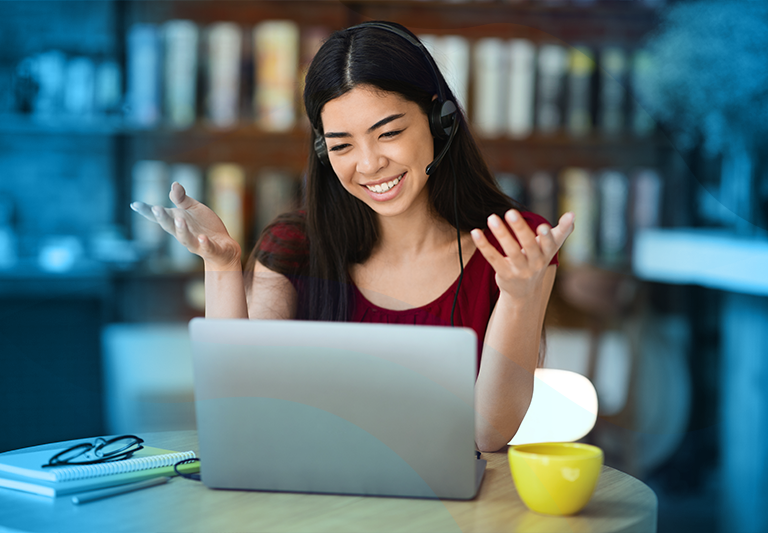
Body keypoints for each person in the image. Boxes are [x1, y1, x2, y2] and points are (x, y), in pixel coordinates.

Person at [131, 21, 574, 452]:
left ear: (442, 120)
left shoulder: (518, 248)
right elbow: (239, 410)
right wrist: (223, 268)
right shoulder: (294, 245)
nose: (368, 164)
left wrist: (518, 296)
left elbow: (489, 434)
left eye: (389, 133)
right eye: (342, 145)